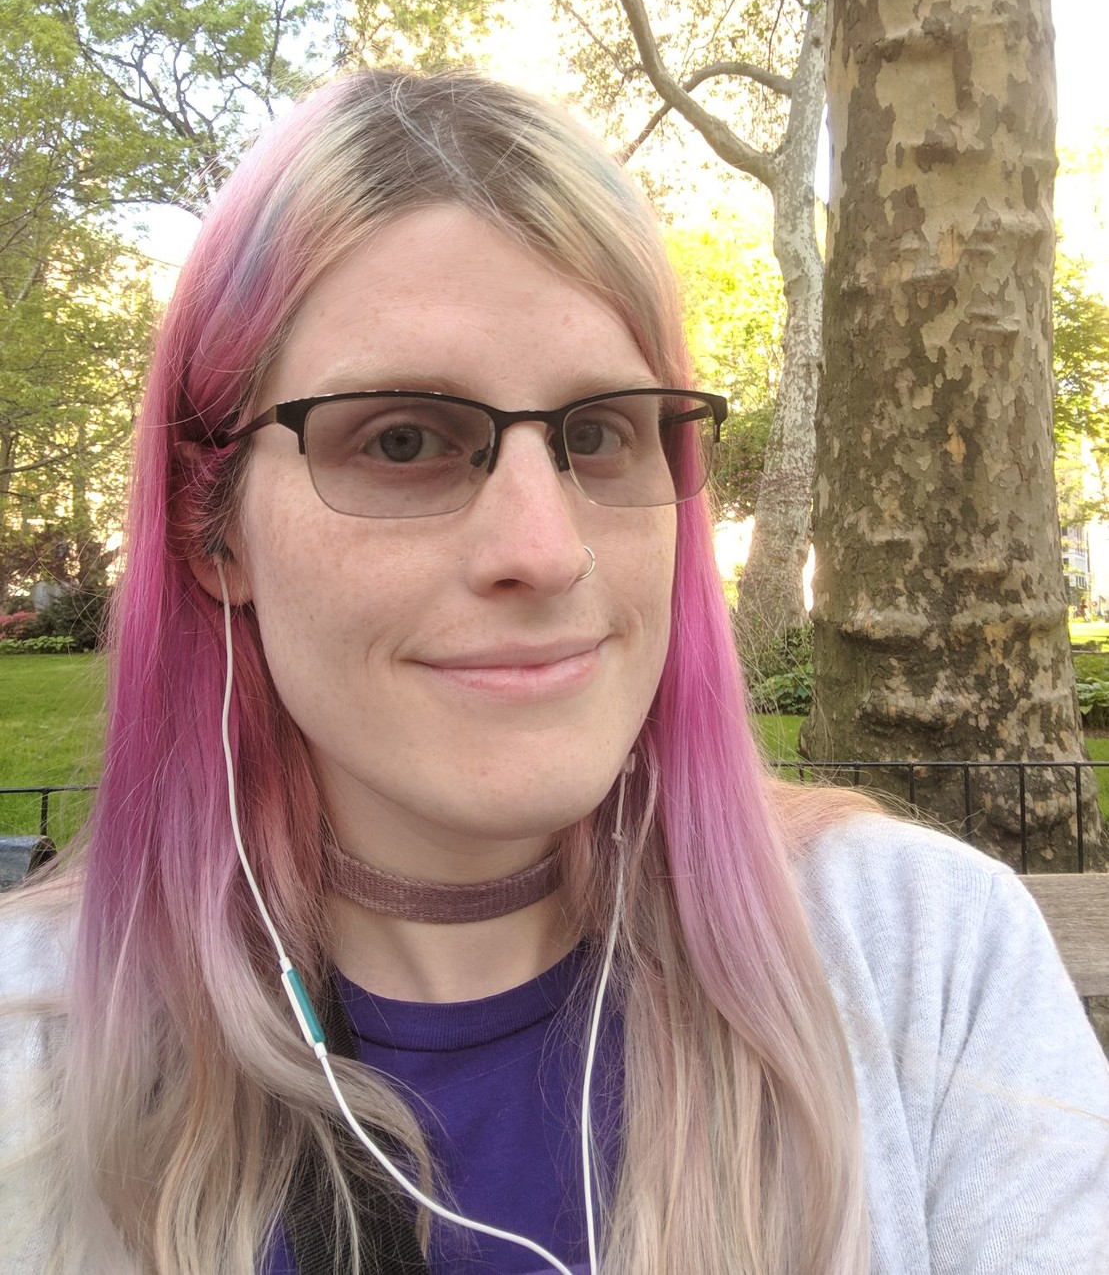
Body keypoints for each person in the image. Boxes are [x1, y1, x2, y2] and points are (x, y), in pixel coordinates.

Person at [1, 70, 1106, 1275]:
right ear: (207, 522)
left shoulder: (922, 960)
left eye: (596, 433)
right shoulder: (30, 1042)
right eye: (403, 438)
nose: (543, 546)